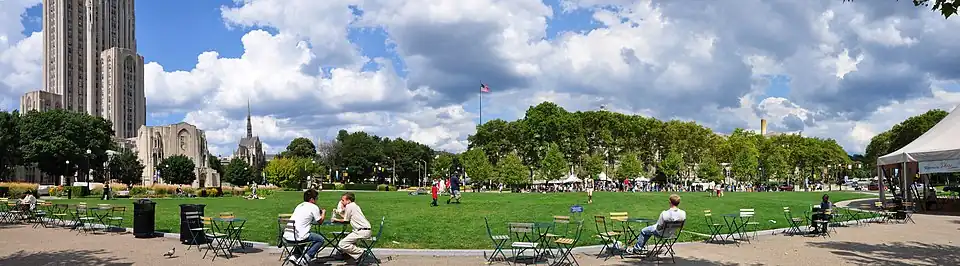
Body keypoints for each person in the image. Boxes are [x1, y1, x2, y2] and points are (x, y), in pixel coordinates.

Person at [283, 189, 328, 265]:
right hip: (298, 236)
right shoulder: (314, 207)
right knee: (320, 239)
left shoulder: (299, 205)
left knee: (304, 235)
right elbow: (320, 221)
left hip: (288, 235)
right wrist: (323, 213)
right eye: (316, 198)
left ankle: (295, 255)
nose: (317, 200)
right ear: (312, 199)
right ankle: (306, 258)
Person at [334, 192, 371, 265]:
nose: (342, 202)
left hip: (361, 231)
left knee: (342, 244)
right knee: (347, 241)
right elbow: (347, 217)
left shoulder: (349, 206)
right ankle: (353, 258)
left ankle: (361, 253)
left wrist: (335, 219)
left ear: (348, 200)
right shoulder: (354, 206)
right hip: (364, 230)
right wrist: (339, 213)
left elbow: (346, 220)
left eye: (343, 200)